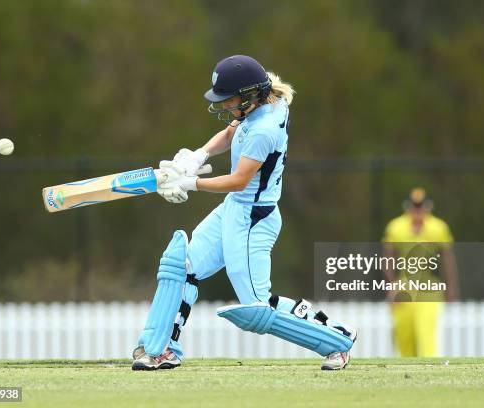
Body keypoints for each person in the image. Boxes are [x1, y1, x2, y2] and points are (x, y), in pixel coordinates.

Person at [131, 55, 356, 371]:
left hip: (254, 219)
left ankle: (337, 340)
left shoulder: (265, 128)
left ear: (250, 95)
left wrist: (190, 183)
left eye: (228, 100)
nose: (224, 106)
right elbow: (231, 133)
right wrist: (197, 156)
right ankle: (161, 349)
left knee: (257, 310)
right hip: (234, 210)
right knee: (180, 268)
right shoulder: (263, 104)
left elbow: (238, 181)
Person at [382, 187, 459, 357]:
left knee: (427, 337)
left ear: (428, 207)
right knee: (404, 338)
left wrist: (451, 287)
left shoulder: (438, 227)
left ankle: (429, 376)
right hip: (403, 287)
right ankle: (408, 378)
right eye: (415, 207)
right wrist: (391, 286)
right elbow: (388, 258)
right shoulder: (396, 227)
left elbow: (447, 259)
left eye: (421, 207)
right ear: (408, 207)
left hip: (429, 288)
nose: (418, 211)